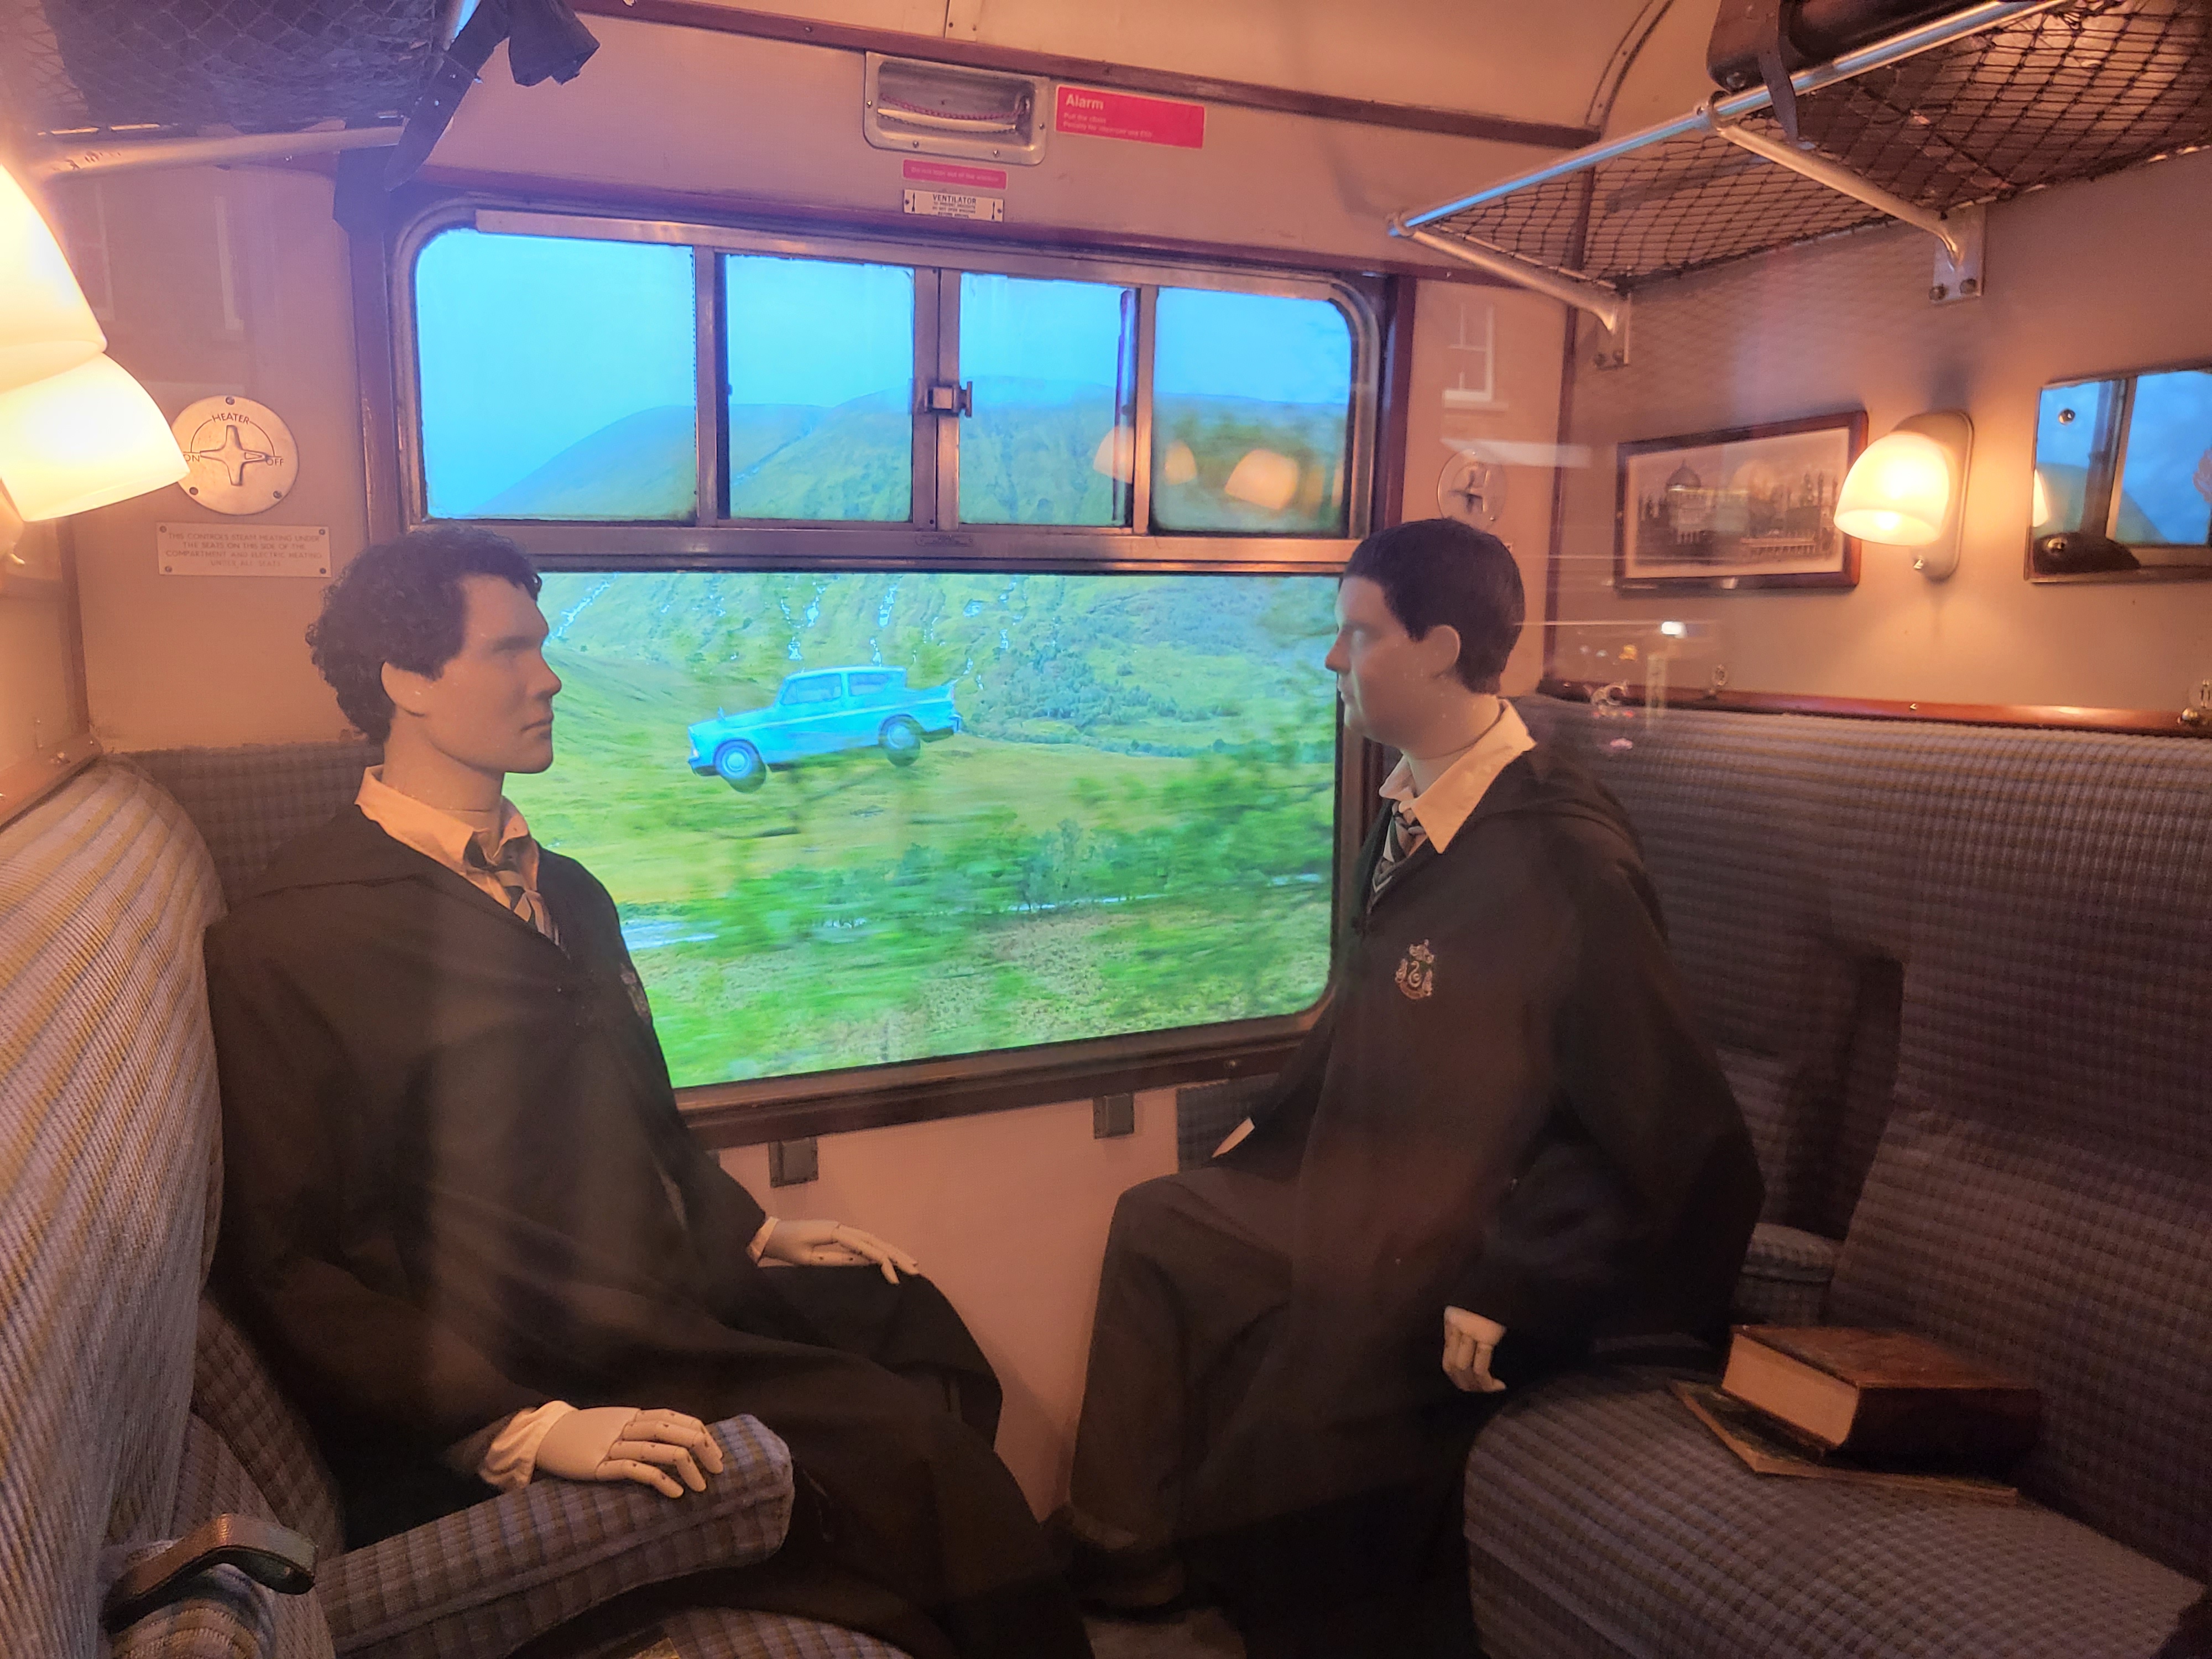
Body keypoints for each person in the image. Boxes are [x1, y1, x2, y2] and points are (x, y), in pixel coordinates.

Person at [204, 526, 1090, 1659]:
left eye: (544, 647)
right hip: (545, 1344)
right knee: (922, 1457)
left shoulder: (568, 893)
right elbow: (294, 1263)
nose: (549, 679)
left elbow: (642, 1115)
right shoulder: (295, 944)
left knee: (915, 1323)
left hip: (667, 1281)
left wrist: (756, 1230)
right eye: (511, 651)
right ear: (407, 681)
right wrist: (514, 1428)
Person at [1063, 518, 1763, 1657]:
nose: (1332, 659)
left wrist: (1515, 1279)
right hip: (1363, 1183)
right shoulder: (1414, 807)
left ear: (1438, 649)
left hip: (1464, 1225)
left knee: (1299, 1433)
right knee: (1159, 1223)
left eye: (1358, 634)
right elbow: (1370, 1013)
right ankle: (1123, 1558)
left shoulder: (1563, 859)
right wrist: (1273, 1120)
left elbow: (1669, 1129)